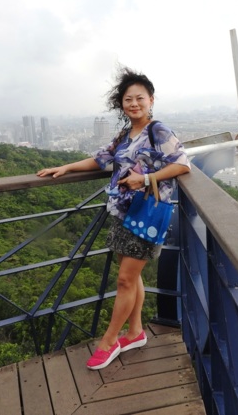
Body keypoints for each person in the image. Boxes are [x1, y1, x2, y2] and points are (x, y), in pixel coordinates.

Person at [37, 66, 190, 370]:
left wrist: (145, 179)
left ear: (151, 100)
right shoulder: (125, 134)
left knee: (124, 280)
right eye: (128, 99)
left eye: (140, 98)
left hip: (147, 213)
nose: (134, 104)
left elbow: (183, 165)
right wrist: (66, 167)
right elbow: (101, 159)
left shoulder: (158, 130)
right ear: (122, 103)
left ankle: (109, 341)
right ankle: (135, 332)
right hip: (122, 212)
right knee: (130, 277)